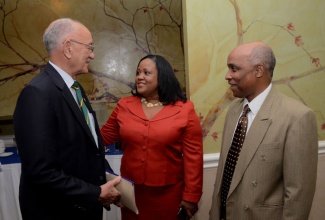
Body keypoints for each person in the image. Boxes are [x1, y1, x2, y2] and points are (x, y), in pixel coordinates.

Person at [13, 18, 121, 220]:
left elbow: (89, 149)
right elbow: (41, 172)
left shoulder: (75, 89)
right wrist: (95, 193)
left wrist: (109, 181)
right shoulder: (37, 94)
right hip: (58, 212)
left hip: (83, 208)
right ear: (68, 48)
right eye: (89, 46)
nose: (92, 54)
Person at [209, 42, 318, 220]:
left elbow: (298, 196)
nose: (227, 76)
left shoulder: (297, 117)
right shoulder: (234, 112)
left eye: (234, 69)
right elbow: (224, 175)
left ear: (259, 70)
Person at [100, 54, 203, 220]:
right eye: (138, 72)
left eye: (146, 73)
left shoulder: (185, 109)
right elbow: (101, 139)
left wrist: (191, 196)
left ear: (162, 77)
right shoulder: (124, 105)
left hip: (169, 195)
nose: (139, 77)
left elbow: (194, 158)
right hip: (131, 194)